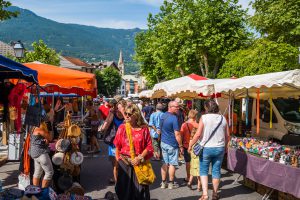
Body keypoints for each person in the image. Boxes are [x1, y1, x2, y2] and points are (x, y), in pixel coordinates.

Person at [188, 99, 230, 200]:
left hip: (206, 148)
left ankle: (205, 194)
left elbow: (198, 134)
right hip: (219, 148)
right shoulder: (223, 118)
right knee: (216, 171)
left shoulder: (204, 117)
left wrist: (190, 145)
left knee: (203, 171)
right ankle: (215, 194)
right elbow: (227, 136)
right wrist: (226, 148)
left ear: (206, 108)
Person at [114, 104, 153, 200]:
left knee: (140, 191)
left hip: (139, 163)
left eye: (129, 114)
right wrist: (118, 161)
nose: (126, 116)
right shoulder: (122, 128)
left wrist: (139, 158)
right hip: (125, 163)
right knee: (124, 191)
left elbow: (149, 146)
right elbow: (117, 147)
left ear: (136, 115)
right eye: (125, 113)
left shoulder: (144, 129)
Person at [100, 98, 125, 184]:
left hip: (114, 141)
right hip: (124, 141)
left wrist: (102, 129)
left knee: (115, 163)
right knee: (122, 161)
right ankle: (120, 179)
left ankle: (117, 181)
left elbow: (106, 124)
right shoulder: (127, 114)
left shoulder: (112, 113)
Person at [160, 101, 183, 189]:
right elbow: (177, 134)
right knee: (172, 164)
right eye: (176, 107)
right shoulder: (174, 118)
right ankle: (170, 183)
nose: (178, 108)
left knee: (165, 162)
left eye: (178, 107)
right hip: (172, 143)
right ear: (170, 107)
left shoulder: (163, 116)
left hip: (163, 142)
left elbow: (160, 130)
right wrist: (180, 145)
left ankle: (163, 183)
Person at [30, 119, 54, 188]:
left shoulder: (33, 128)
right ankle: (43, 191)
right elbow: (50, 138)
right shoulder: (39, 129)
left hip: (35, 154)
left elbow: (38, 140)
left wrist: (44, 141)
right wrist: (49, 128)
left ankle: (35, 192)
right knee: (49, 173)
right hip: (41, 154)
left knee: (37, 173)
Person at [180, 109, 198, 182]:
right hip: (196, 146)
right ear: (195, 116)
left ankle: (188, 177)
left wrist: (180, 146)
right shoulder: (198, 124)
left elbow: (181, 135)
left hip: (186, 145)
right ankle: (198, 178)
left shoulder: (184, 124)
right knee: (196, 162)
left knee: (188, 162)